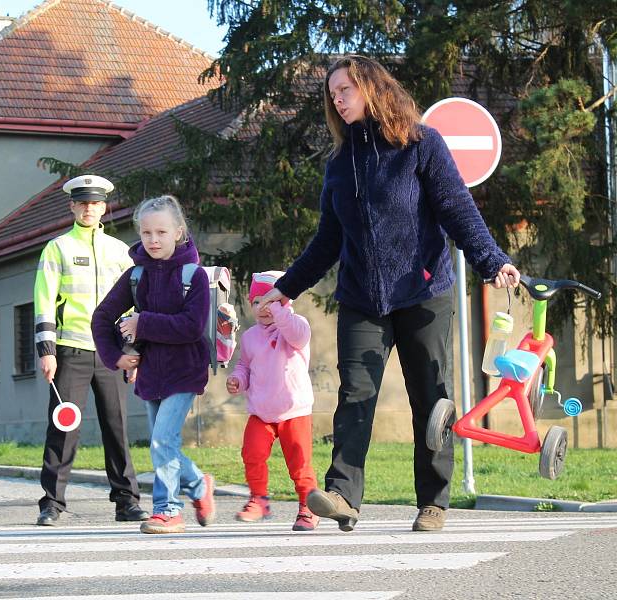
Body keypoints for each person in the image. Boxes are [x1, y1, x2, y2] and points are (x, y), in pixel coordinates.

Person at [258, 55, 520, 533]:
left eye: (345, 90)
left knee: (430, 398)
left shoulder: (420, 144)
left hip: (423, 293)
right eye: (332, 94)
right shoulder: (339, 164)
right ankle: (342, 495)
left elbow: (455, 208)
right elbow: (327, 241)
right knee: (356, 392)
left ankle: (433, 502)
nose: (337, 100)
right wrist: (284, 289)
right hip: (361, 298)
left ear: (372, 88)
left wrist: (491, 259)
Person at [92, 194, 216, 534]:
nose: (153, 240)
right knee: (166, 443)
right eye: (146, 233)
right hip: (150, 375)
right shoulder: (136, 275)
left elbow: (191, 326)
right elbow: (102, 316)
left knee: (162, 441)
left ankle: (167, 510)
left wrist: (142, 323)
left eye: (161, 232)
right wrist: (115, 355)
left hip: (185, 371)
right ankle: (199, 486)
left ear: (178, 232)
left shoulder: (195, 276)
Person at [34, 174, 149, 526]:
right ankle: (52, 503)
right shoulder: (58, 248)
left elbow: (134, 304)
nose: (89, 208)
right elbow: (43, 300)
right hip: (70, 350)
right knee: (64, 427)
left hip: (112, 353)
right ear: (72, 206)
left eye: (95, 203)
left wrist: (133, 351)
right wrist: (46, 350)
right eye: (82, 203)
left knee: (117, 427)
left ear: (103, 207)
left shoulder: (120, 252)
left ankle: (126, 501)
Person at [227, 270, 320, 531]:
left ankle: (308, 507)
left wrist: (281, 307)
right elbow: (245, 366)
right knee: (252, 454)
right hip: (261, 411)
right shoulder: (249, 337)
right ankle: (258, 499)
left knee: (299, 463)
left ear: (285, 302)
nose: (264, 309)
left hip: (294, 410)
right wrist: (237, 379)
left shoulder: (296, 326)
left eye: (271, 302)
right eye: (258, 302)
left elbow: (297, 336)